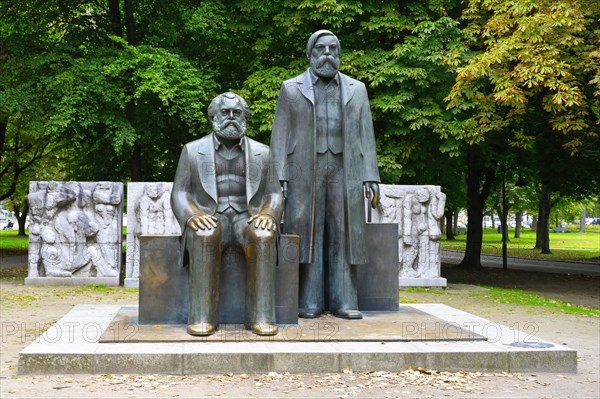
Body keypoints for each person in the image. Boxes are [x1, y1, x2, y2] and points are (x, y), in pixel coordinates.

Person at [270, 30, 380, 320]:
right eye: (321, 48)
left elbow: (366, 135)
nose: (327, 54)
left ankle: (344, 299)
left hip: (347, 168)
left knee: (345, 233)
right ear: (310, 54)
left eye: (333, 48)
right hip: (304, 169)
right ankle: (309, 300)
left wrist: (371, 175)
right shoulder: (291, 88)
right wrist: (278, 176)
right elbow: (280, 135)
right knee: (308, 232)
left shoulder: (357, 89)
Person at [171, 92, 283, 336]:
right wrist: (192, 215)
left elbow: (274, 194)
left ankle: (261, 317)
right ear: (213, 116)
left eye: (237, 113)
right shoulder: (192, 151)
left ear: (245, 117)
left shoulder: (263, 153)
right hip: (212, 216)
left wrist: (268, 215)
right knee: (204, 233)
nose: (231, 117)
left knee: (263, 236)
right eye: (225, 112)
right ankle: (202, 316)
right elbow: (179, 194)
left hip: (247, 216)